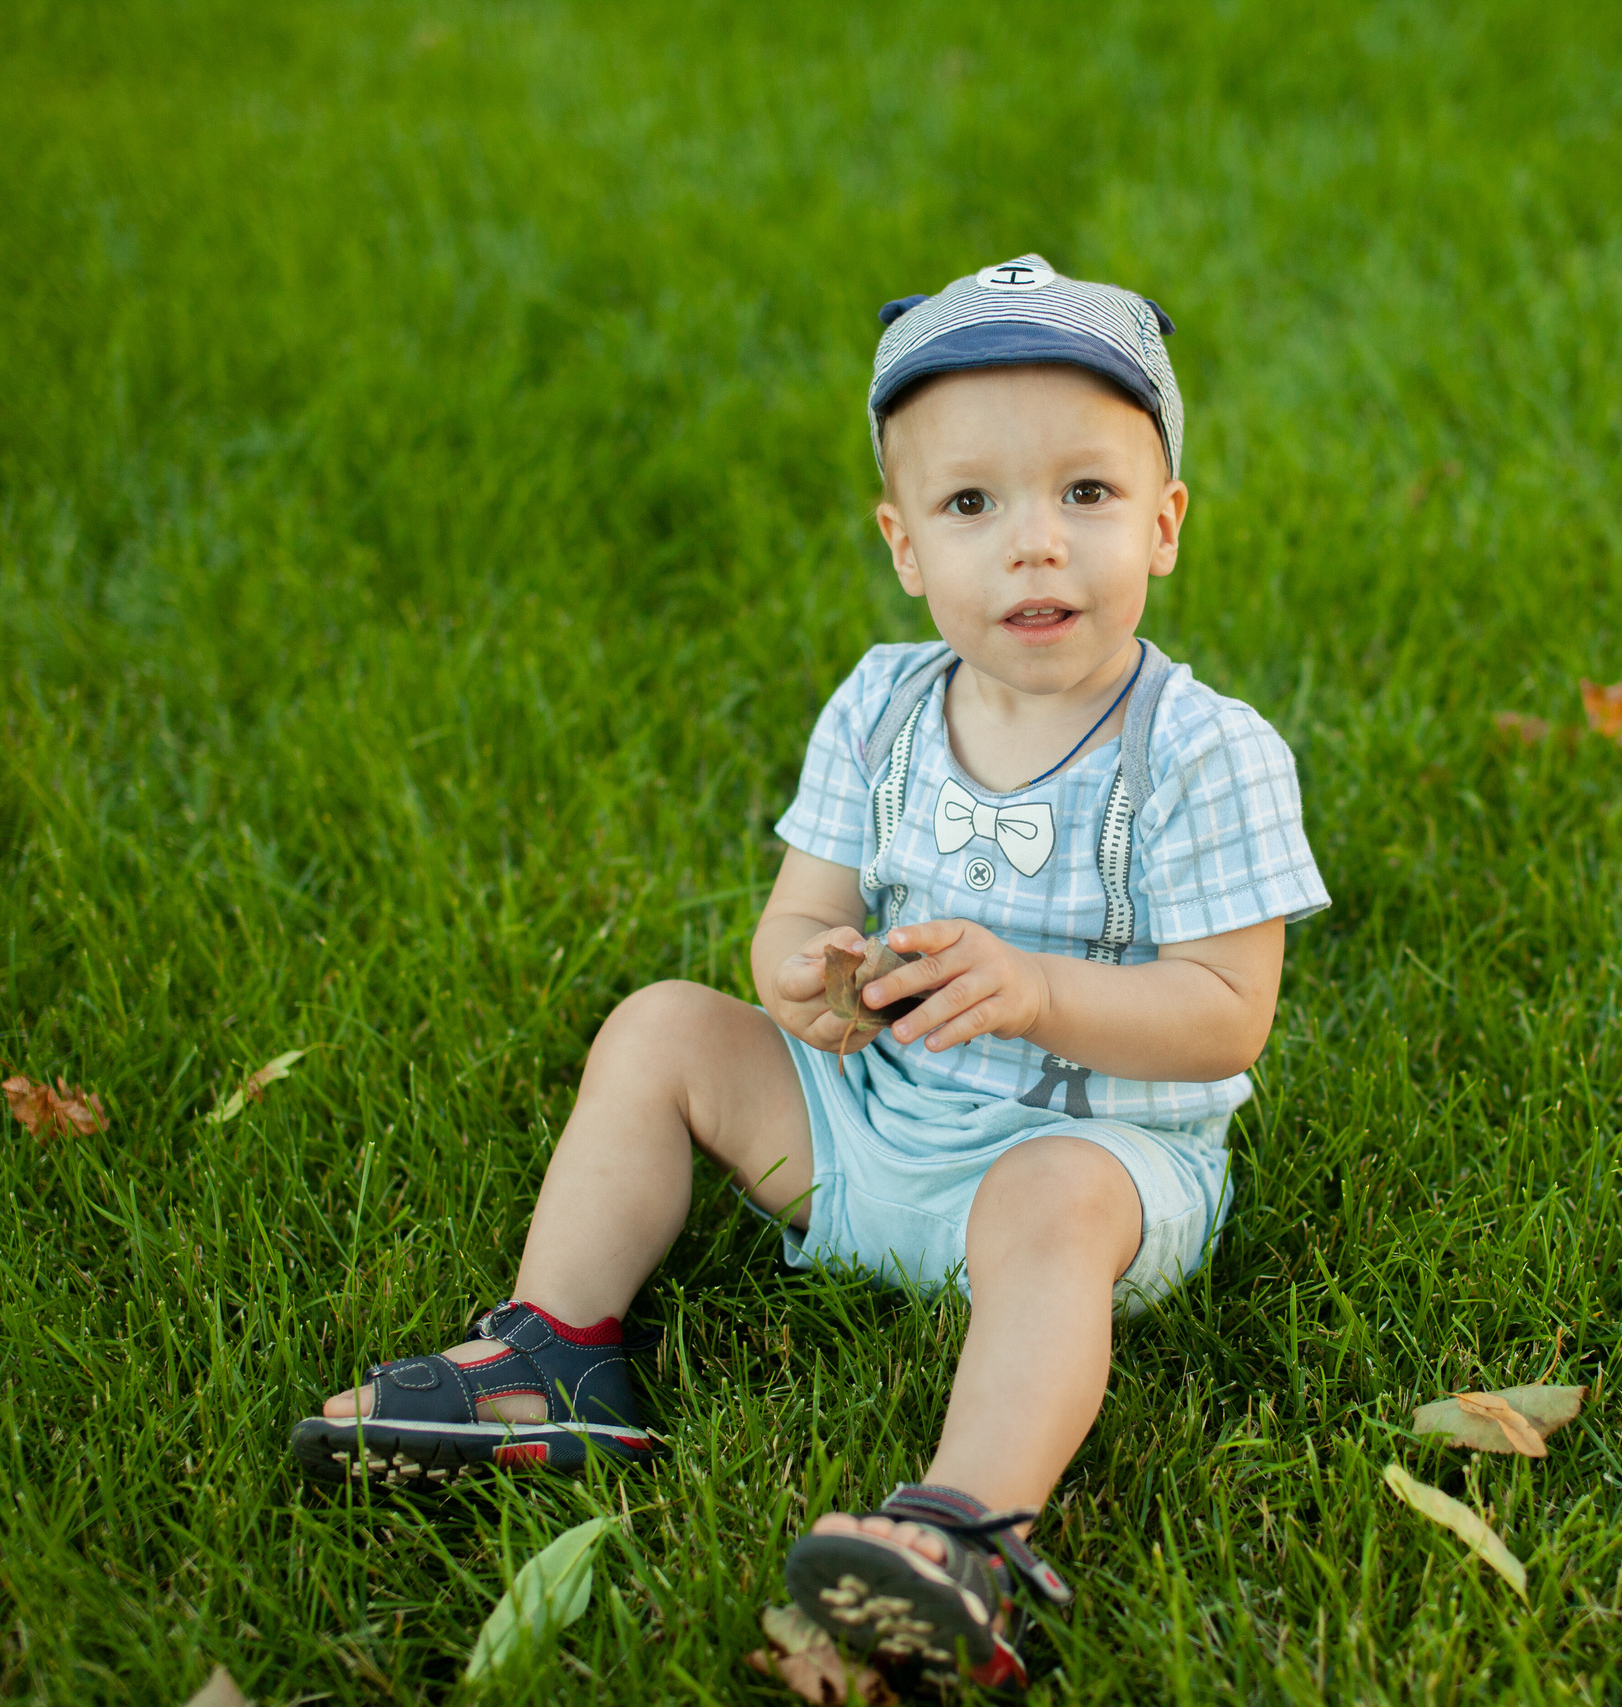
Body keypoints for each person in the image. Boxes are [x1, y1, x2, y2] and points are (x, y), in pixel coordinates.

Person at [290, 254, 1330, 1692]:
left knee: (1050, 1195)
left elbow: (1228, 1017)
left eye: (1084, 495)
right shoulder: (880, 706)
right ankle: (555, 1354)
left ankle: (962, 1527)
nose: (1035, 546)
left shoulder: (1208, 752)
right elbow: (793, 929)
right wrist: (810, 986)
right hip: (869, 1131)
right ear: (905, 545)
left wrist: (1036, 992)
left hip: (1087, 1175)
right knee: (660, 1027)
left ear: (1164, 525)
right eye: (975, 505)